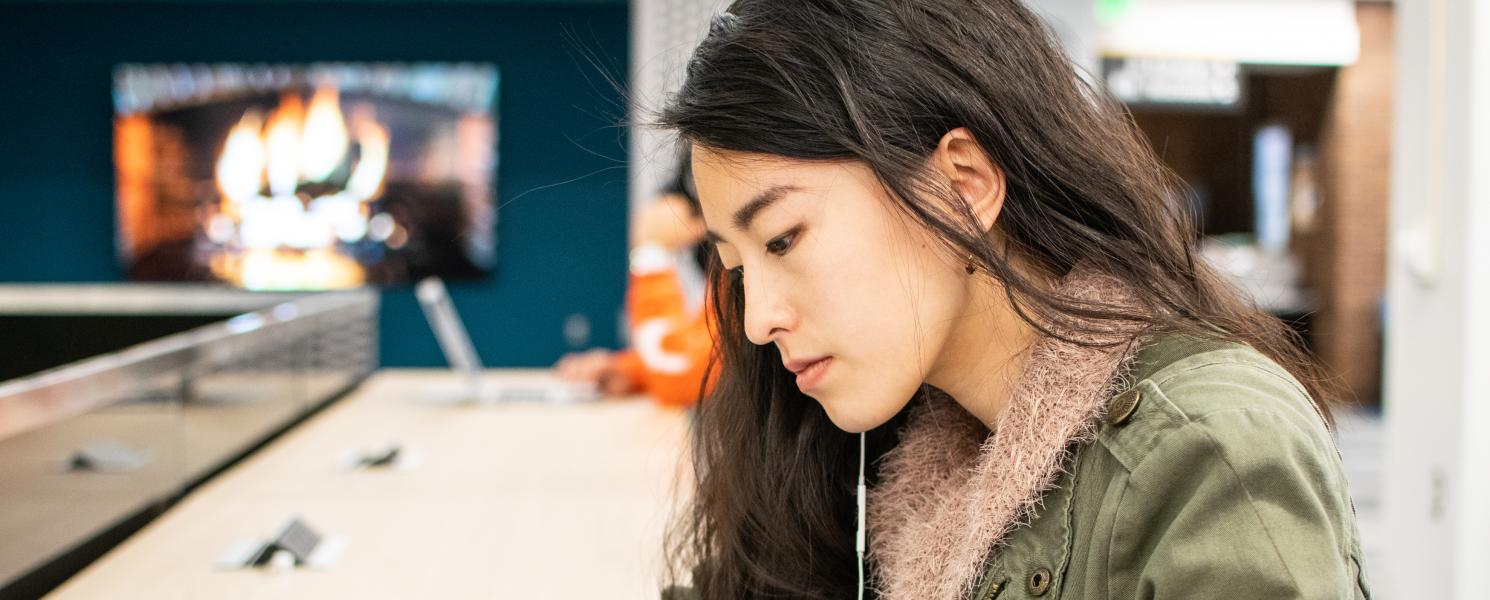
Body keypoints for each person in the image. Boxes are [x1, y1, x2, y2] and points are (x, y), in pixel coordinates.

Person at [659, 1, 1370, 599]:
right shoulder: (888, 454)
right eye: (736, 268)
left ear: (963, 185)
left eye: (782, 240)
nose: (757, 322)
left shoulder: (1207, 451)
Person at [554, 158, 715, 408]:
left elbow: (683, 374)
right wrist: (629, 370)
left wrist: (652, 252)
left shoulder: (744, 273)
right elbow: (709, 358)